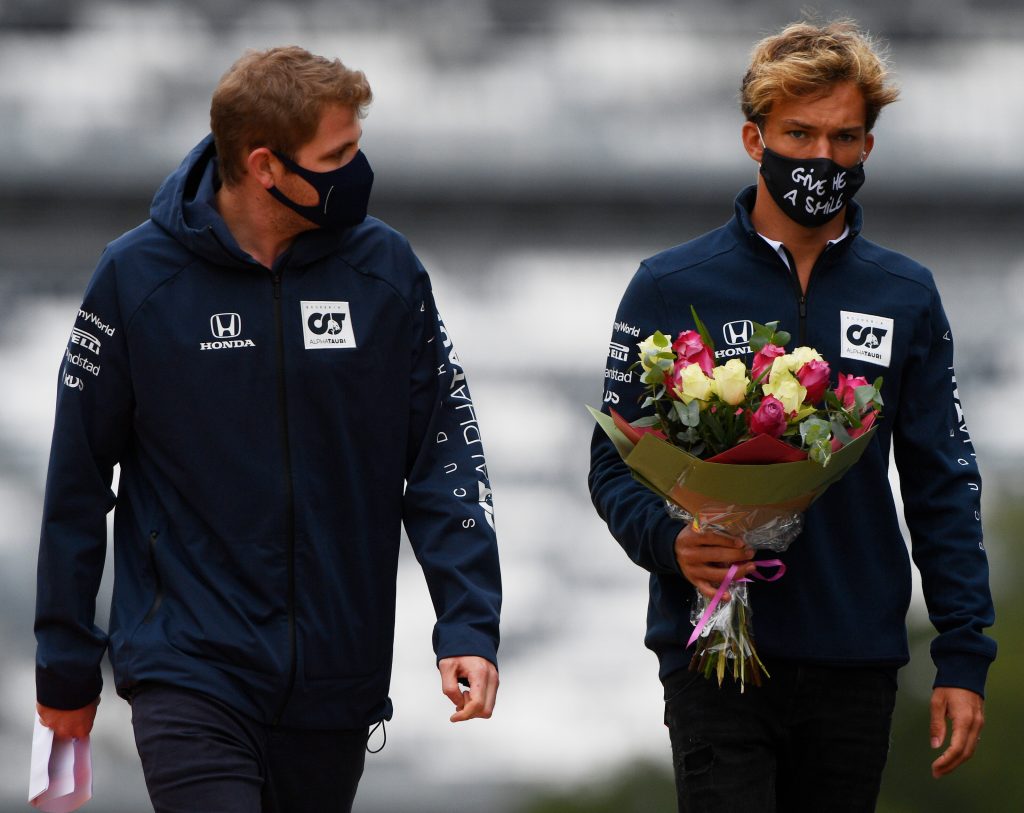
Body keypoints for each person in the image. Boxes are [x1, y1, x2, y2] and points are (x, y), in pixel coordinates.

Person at [34, 46, 501, 812]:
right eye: (339, 154)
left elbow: (445, 450)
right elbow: (77, 482)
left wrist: (468, 624)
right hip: (188, 672)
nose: (360, 168)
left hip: (335, 686)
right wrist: (64, 671)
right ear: (264, 165)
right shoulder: (135, 278)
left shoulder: (386, 272)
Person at [589, 20, 994, 812]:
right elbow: (612, 462)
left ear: (868, 147)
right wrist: (673, 544)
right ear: (754, 137)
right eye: (798, 133)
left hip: (856, 657)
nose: (821, 158)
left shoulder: (905, 293)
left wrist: (962, 654)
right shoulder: (670, 285)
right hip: (711, 652)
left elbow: (943, 480)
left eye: (844, 137)